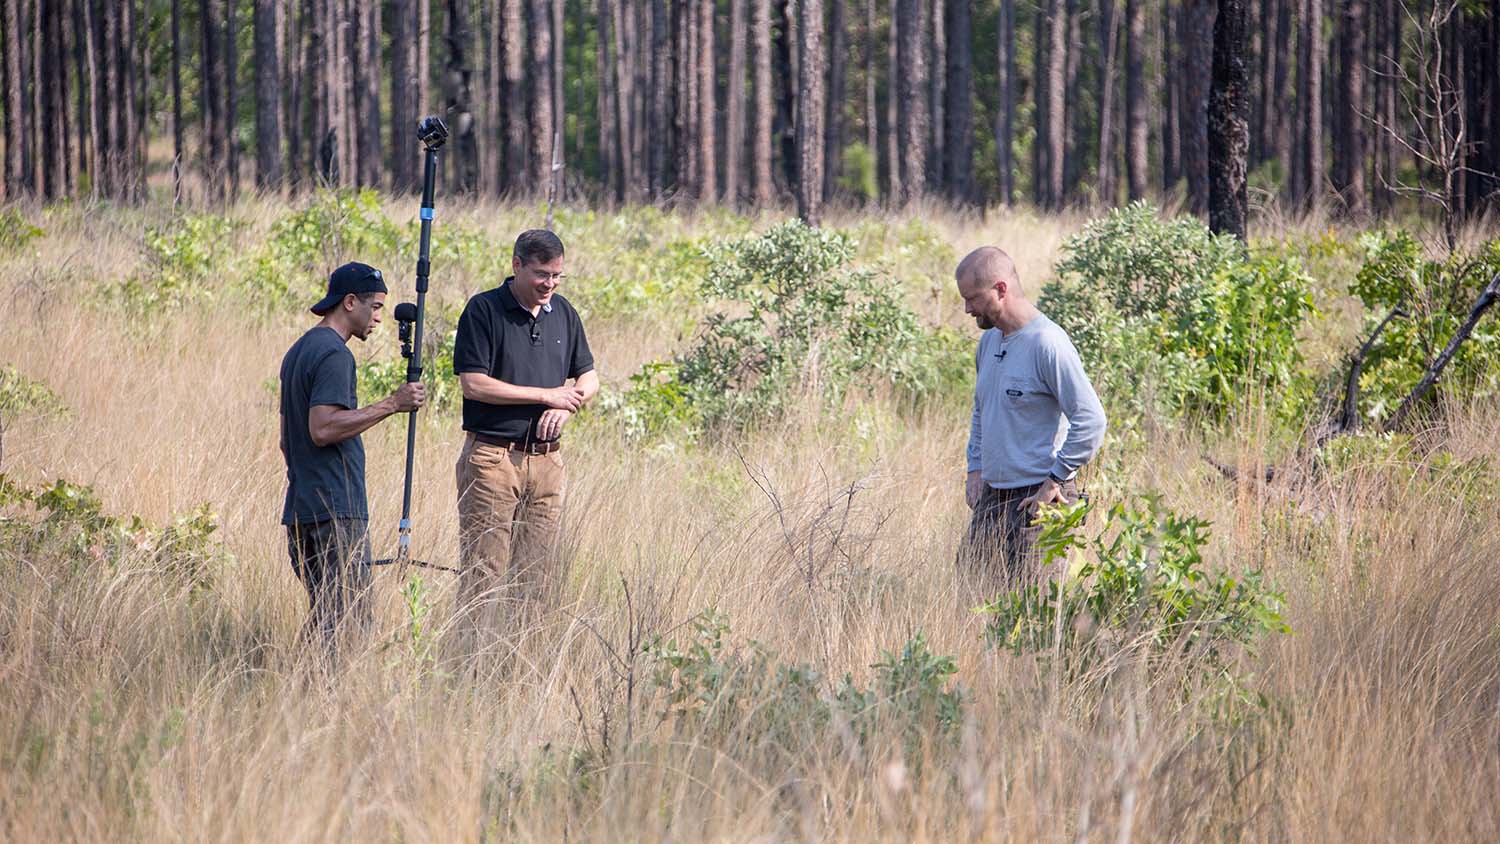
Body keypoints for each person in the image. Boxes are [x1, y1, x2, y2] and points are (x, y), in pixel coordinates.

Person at [451, 230, 598, 653]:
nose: (549, 284)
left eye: (556, 276)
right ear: (516, 265)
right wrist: (545, 395)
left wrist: (568, 404)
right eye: (541, 275)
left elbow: (589, 377)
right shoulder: (484, 310)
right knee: (485, 571)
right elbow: (474, 384)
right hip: (493, 460)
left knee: (536, 574)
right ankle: (471, 664)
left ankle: (520, 663)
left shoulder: (563, 313)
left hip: (547, 464)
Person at [279, 262, 427, 660]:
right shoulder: (334, 354)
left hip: (301, 508)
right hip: (335, 512)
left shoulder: (300, 350)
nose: (379, 318)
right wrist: (392, 404)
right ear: (349, 302)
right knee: (349, 625)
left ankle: (294, 704)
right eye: (375, 307)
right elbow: (322, 428)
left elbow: (285, 438)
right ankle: (327, 712)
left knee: (326, 617)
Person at [955, 246, 1107, 596]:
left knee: (1036, 610)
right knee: (972, 597)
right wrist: (975, 467)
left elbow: (1091, 420)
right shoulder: (989, 343)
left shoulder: (1047, 344)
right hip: (992, 498)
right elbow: (982, 409)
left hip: (1042, 501)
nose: (967, 309)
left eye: (973, 299)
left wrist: (1053, 482)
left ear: (1001, 289)